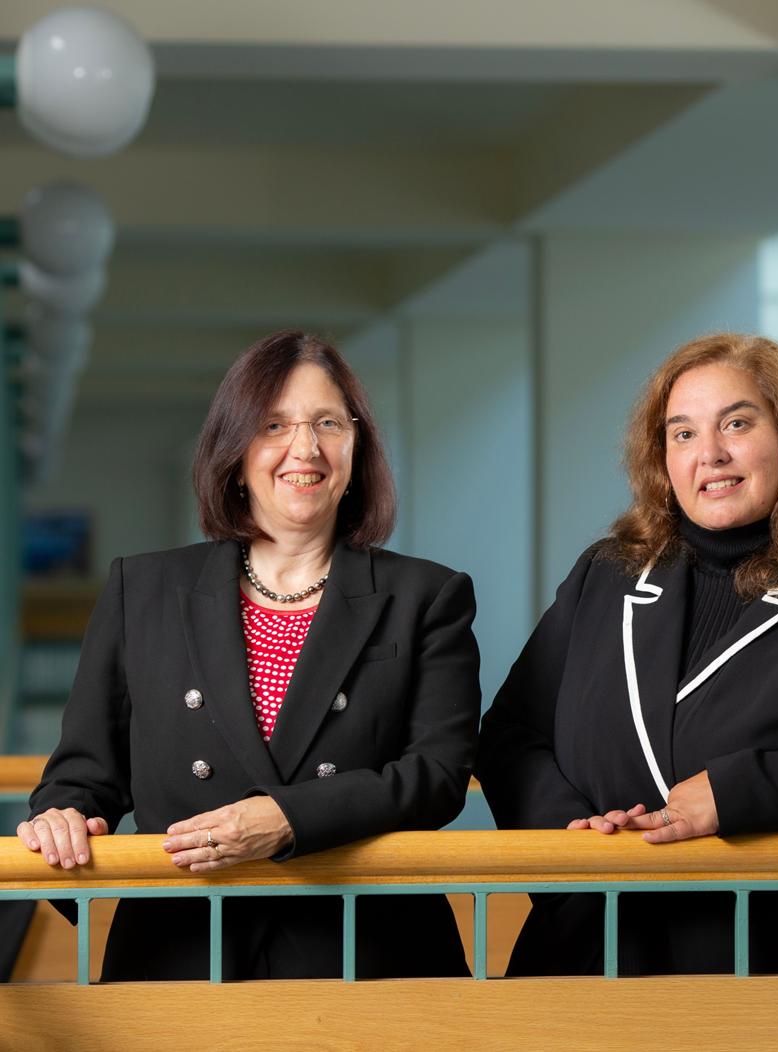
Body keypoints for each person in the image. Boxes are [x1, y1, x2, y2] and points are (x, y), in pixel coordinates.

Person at [20, 331, 481, 981]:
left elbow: (437, 776)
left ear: (358, 448)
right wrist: (62, 814)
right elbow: (85, 773)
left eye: (329, 423)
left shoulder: (427, 595)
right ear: (234, 454)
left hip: (365, 952)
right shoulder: (141, 588)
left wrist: (287, 819)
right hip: (182, 947)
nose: (306, 448)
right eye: (274, 425)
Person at [477, 332, 778, 977]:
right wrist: (571, 837)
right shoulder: (606, 575)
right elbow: (512, 734)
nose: (709, 453)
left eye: (736, 424)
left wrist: (742, 791)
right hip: (594, 950)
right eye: (682, 433)